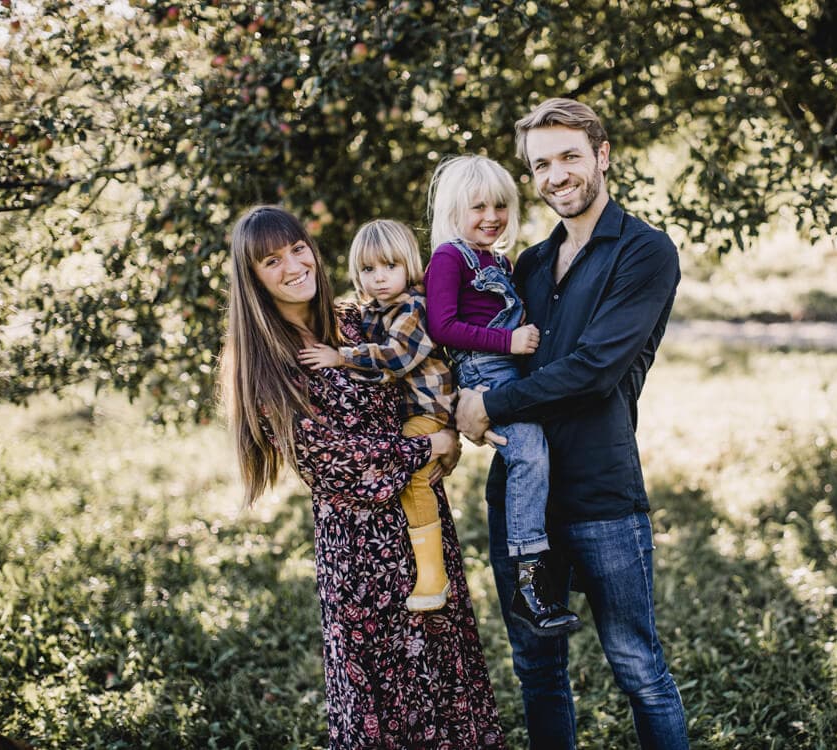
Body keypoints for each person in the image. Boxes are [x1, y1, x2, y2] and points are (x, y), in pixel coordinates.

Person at [221, 205, 505, 749]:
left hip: (422, 521)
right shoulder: (270, 361)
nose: (294, 265)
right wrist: (429, 444)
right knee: (387, 699)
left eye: (298, 248)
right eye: (271, 261)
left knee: (448, 679)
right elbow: (328, 460)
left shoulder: (357, 321)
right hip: (362, 552)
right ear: (253, 278)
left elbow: (421, 372)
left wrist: (453, 420)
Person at [455, 98, 690, 748]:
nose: (554, 175)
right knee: (536, 669)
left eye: (567, 157)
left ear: (601, 155)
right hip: (518, 499)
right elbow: (483, 352)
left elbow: (593, 371)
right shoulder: (525, 265)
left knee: (637, 668)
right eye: (540, 164)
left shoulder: (644, 253)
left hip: (600, 498)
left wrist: (490, 407)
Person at [424, 154, 582, 637]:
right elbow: (442, 325)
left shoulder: (501, 260)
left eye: (499, 206)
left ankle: (547, 563)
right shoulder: (449, 258)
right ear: (454, 210)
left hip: (513, 371)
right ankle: (527, 578)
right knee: (529, 453)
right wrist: (507, 342)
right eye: (478, 207)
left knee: (542, 453)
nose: (491, 217)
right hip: (486, 371)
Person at [297, 219, 455, 612]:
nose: (380, 278)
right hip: (408, 411)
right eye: (369, 270)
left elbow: (398, 358)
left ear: (408, 266)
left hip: (428, 408)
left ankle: (433, 572)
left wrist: (341, 357)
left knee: (416, 480)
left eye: (390, 267)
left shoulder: (414, 307)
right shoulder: (371, 310)